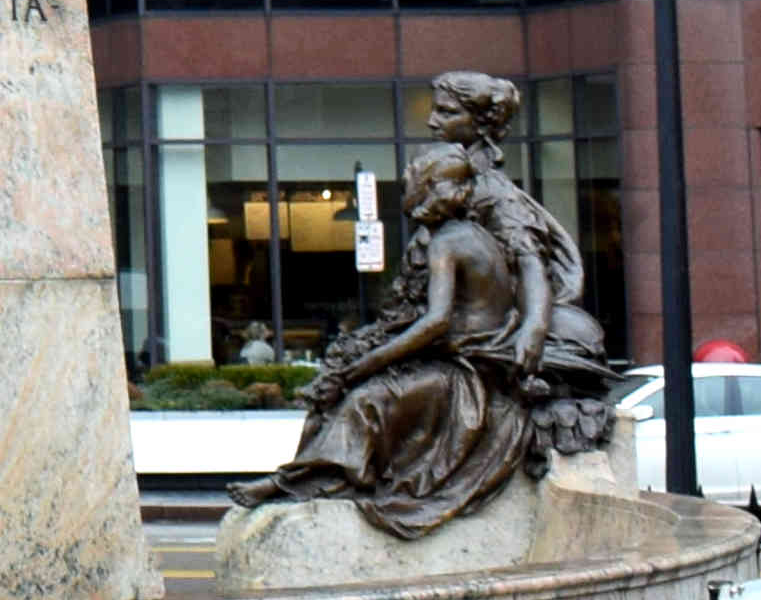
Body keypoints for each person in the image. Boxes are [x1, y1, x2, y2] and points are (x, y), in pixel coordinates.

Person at [247, 72, 617, 538]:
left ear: (481, 124)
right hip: (451, 339)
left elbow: (530, 267)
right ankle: (314, 480)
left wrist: (533, 330)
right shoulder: (446, 178)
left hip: (476, 351)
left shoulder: (488, 193)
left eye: (447, 112)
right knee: (349, 383)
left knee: (368, 391)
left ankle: (322, 482)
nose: (432, 120)